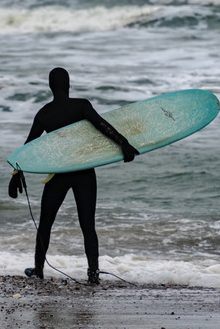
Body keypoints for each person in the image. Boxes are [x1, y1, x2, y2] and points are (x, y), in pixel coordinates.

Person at [9, 67, 139, 284]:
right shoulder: (81, 105)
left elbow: (28, 147)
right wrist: (123, 143)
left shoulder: (44, 113)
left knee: (46, 224)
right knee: (88, 225)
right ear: (69, 85)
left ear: (50, 87)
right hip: (84, 172)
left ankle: (39, 269)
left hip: (59, 174)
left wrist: (15, 172)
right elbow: (102, 126)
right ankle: (93, 273)